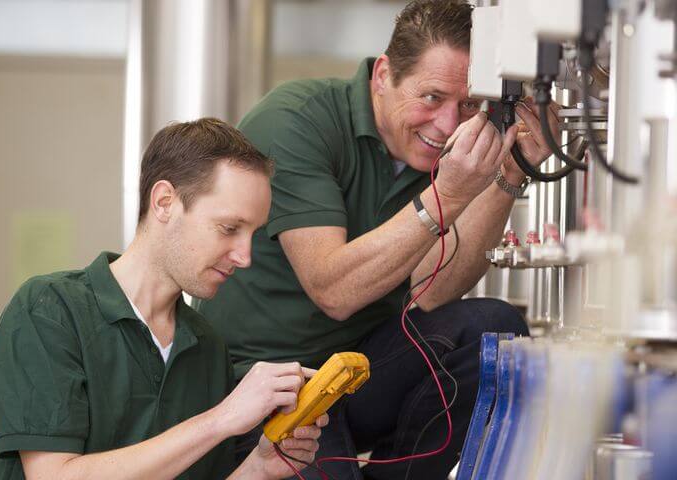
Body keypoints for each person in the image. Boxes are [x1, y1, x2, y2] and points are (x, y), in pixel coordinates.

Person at [198, 1, 560, 478]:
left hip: (360, 371)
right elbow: (334, 291)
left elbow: (431, 289)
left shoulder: (436, 154)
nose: (449, 125)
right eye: (431, 97)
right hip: (269, 385)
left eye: (468, 104)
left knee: (494, 327)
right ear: (383, 75)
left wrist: (510, 173)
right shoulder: (296, 120)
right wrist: (446, 197)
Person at [0, 118, 327, 480]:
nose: (245, 257)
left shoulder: (207, 348)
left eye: (252, 234)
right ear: (165, 202)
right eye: (229, 229)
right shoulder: (49, 310)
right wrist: (223, 418)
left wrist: (257, 469)